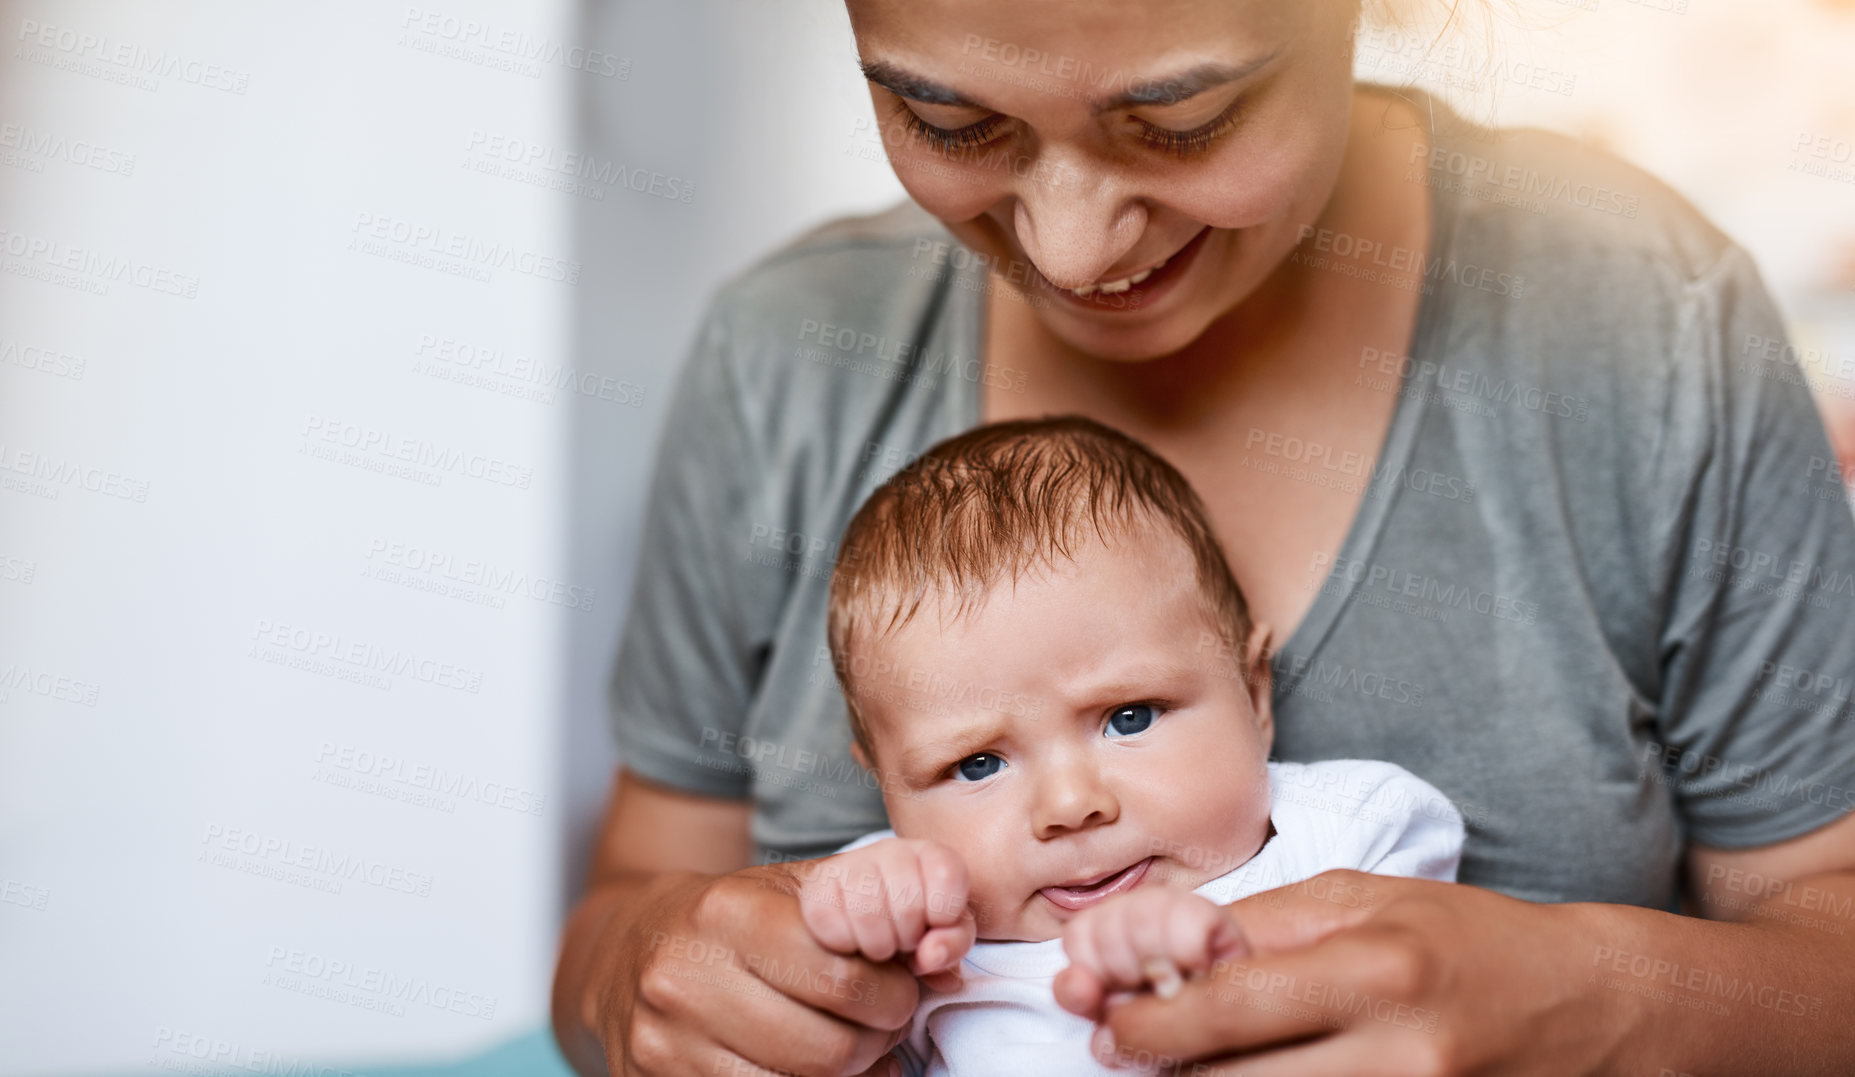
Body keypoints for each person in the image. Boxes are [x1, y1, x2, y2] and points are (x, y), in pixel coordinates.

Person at [553, 0, 1855, 1073]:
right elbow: (623, 920)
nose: (1071, 248)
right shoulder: (781, 364)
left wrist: (1590, 995)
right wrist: (644, 976)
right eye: (943, 118)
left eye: (1181, 119)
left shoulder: (1641, 330)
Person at [802, 416, 1464, 1076]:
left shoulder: (1342, 830)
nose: (1068, 804)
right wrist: (851, 930)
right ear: (885, 787)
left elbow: (1426, 982)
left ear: (1252, 691)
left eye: (1128, 717)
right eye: (977, 763)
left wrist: (1204, 954)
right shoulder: (912, 911)